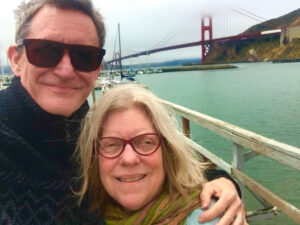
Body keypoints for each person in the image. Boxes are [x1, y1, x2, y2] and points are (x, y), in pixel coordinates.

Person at [0, 0, 245, 224]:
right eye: (45, 51)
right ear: (16, 60)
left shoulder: (83, 128)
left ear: (97, 69)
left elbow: (158, 167)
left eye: (84, 56)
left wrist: (220, 182)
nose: (65, 70)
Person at [75, 84, 247, 225]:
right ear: (94, 156)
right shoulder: (85, 212)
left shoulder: (210, 218)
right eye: (111, 144)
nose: (129, 159)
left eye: (146, 142)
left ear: (167, 151)